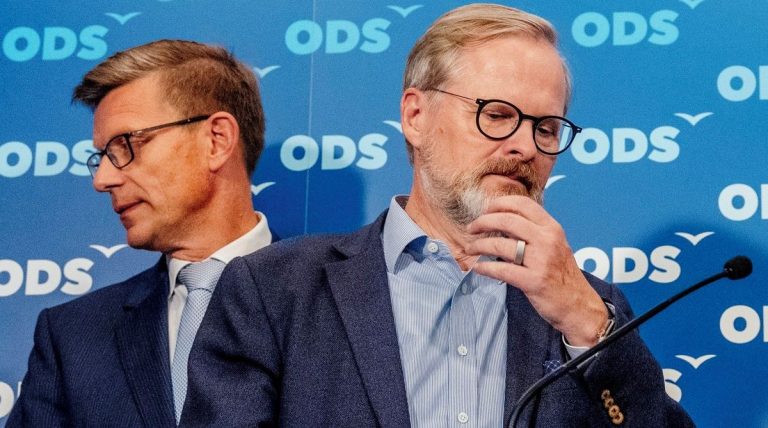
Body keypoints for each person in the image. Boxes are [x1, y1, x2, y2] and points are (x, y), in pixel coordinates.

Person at [182, 4, 693, 427]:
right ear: (415, 116)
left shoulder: (589, 309)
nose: (525, 146)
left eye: (547, 128)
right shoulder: (273, 290)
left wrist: (587, 323)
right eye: (498, 115)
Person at [8, 39, 274, 427]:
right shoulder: (73, 337)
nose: (102, 179)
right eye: (102, 155)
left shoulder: (332, 301)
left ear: (216, 140)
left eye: (126, 145)